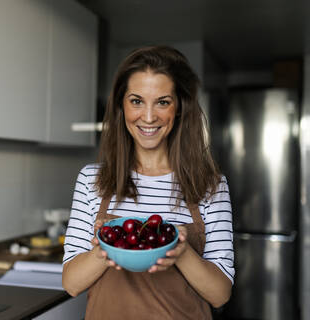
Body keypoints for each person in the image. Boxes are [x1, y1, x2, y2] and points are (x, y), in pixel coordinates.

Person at [62, 46, 234, 319]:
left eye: (163, 102)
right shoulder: (91, 179)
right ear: (122, 105)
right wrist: (103, 251)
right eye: (137, 101)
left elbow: (220, 293)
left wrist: (182, 251)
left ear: (179, 108)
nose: (149, 116)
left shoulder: (210, 184)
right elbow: (71, 284)